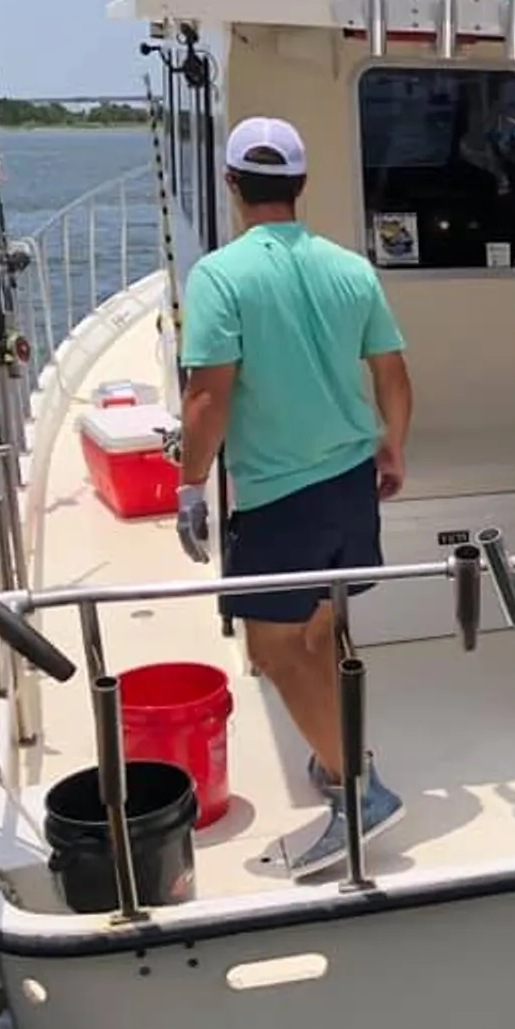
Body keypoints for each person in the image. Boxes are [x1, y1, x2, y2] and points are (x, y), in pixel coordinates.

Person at [174, 116, 414, 880]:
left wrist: (188, 485)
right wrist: (392, 446)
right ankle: (339, 755)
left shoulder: (219, 276)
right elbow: (393, 375)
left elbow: (208, 396)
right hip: (351, 483)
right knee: (319, 632)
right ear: (300, 185)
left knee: (272, 651)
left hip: (280, 497)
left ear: (232, 184)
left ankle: (358, 789)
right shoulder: (351, 268)